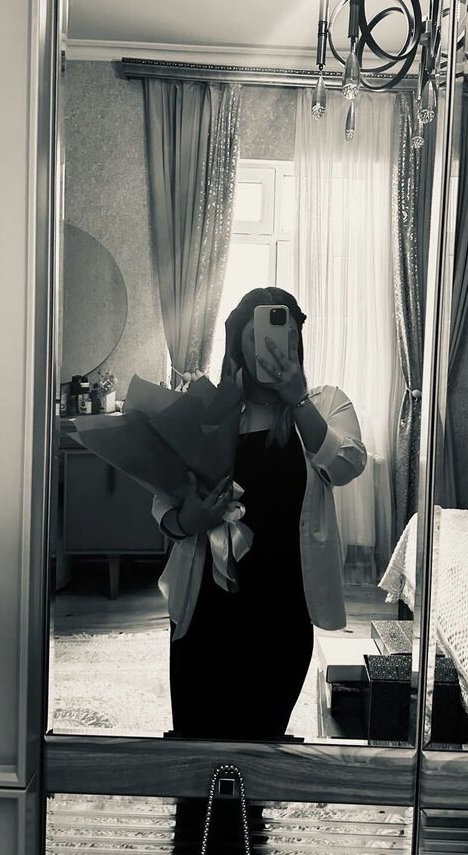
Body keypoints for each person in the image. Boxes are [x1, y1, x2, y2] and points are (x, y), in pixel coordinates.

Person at [151, 286, 367, 851]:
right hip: (206, 613)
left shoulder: (324, 401)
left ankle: (247, 833)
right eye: (261, 335)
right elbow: (163, 503)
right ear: (238, 346)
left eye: (286, 333)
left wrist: (298, 402)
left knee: (258, 753)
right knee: (197, 755)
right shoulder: (210, 411)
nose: (275, 345)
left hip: (282, 612)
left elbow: (347, 463)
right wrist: (189, 517)